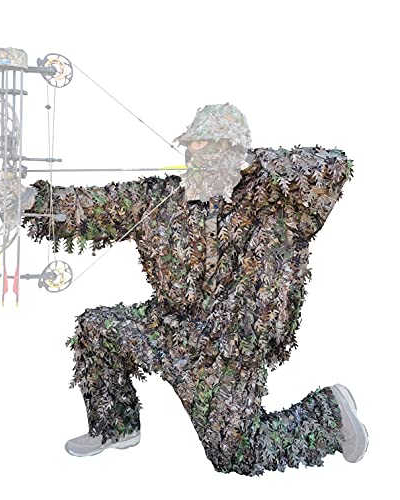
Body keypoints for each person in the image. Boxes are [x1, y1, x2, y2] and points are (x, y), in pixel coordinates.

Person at [23, 104, 368, 475]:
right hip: (169, 329)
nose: (196, 152)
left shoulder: (273, 203)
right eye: (193, 144)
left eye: (209, 145)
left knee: (236, 455)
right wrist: (32, 202)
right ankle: (115, 425)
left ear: (232, 148)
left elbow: (332, 167)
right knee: (97, 328)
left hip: (226, 350)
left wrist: (252, 163)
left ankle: (330, 414)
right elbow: (97, 208)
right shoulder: (163, 198)